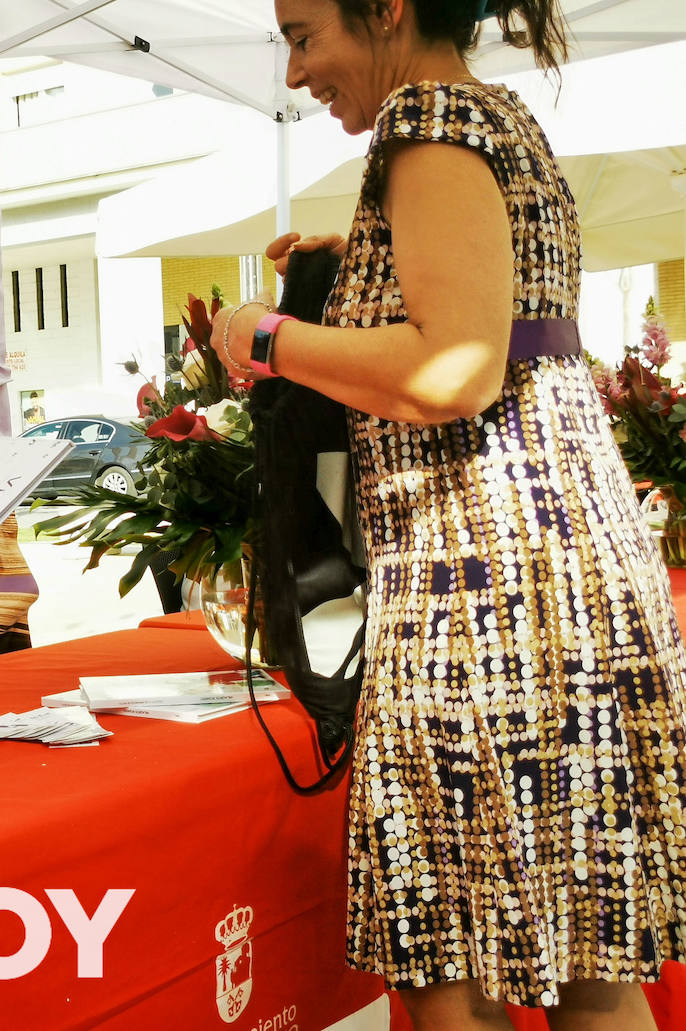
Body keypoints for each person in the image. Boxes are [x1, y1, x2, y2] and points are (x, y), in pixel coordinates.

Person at [211, 1, 685, 1027]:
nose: (296, 74)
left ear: (385, 11)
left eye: (304, 37)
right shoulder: (491, 113)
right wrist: (366, 264)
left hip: (482, 579)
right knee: (586, 951)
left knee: (439, 959)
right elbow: (502, 317)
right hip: (563, 563)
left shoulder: (423, 122)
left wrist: (267, 335)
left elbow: (450, 370)